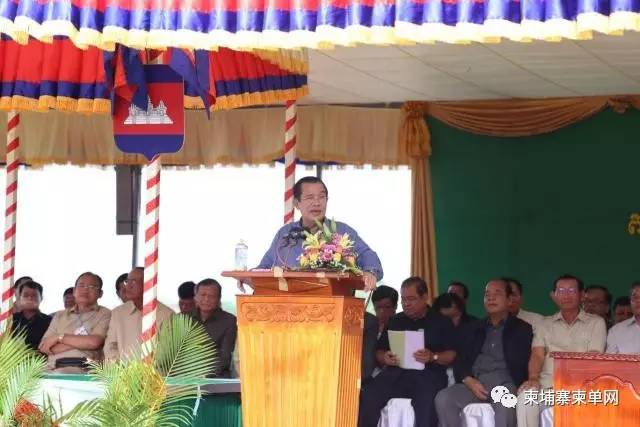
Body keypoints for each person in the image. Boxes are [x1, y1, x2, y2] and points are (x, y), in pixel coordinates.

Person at [358, 277, 456, 427]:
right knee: (368, 394)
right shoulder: (395, 321)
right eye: (403, 299)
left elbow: (453, 354)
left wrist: (433, 356)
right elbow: (378, 351)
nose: (406, 304)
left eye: (411, 299)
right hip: (396, 373)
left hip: (428, 374)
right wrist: (385, 357)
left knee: (426, 403)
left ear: (424, 297)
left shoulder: (441, 321)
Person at [256, 176, 382, 291]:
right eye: (310, 197)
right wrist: (250, 278)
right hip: (288, 304)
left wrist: (370, 273)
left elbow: (369, 257)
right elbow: (263, 268)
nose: (317, 203)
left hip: (333, 304)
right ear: (296, 203)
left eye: (321, 197)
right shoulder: (285, 234)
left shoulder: (342, 232)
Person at [435, 279, 533, 427]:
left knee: (505, 404)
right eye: (487, 294)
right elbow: (460, 359)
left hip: (504, 384)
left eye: (497, 293)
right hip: (475, 384)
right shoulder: (473, 328)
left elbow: (523, 363)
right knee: (443, 398)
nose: (491, 298)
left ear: (509, 300)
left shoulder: (522, 329)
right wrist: (468, 380)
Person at [516, 274, 606, 427]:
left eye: (571, 290)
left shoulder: (596, 323)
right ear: (554, 296)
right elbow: (537, 355)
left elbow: (594, 357)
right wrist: (533, 378)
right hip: (548, 387)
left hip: (581, 388)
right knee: (526, 398)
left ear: (582, 295)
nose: (566, 295)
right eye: (561, 291)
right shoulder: (544, 324)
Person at [38, 272, 111, 373]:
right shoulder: (60, 315)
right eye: (81, 285)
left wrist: (59, 338)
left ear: (100, 293)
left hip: (85, 371)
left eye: (92, 287)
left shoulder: (105, 313)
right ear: (74, 291)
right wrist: (82, 342)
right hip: (53, 369)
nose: (85, 290)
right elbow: (44, 346)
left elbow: (94, 342)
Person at [104, 267, 174, 360]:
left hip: (153, 369)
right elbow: (110, 346)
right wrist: (117, 366)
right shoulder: (118, 313)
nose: (128, 286)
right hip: (121, 369)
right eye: (127, 281)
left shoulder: (167, 315)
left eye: (133, 282)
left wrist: (146, 367)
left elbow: (168, 350)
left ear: (148, 284)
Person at [191, 278, 237, 377]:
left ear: (219, 298)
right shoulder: (184, 318)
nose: (206, 300)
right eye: (203, 295)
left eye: (211, 296)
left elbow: (225, 357)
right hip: (183, 375)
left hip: (216, 377)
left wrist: (201, 373)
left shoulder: (229, 321)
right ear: (196, 297)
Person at [12, 280, 51, 351]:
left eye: (34, 295)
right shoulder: (10, 320)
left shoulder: (50, 321)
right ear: (19, 298)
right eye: (26, 295)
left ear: (41, 298)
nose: (30, 298)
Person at [606, 282, 640, 354]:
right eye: (635, 297)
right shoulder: (615, 331)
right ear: (630, 301)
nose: (638, 300)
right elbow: (610, 360)